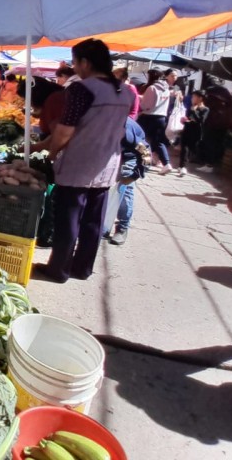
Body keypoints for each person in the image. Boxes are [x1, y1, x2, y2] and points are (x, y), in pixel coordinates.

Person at [35, 38, 134, 283]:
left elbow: (65, 131)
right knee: (93, 220)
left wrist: (52, 151)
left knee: (69, 217)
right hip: (107, 163)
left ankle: (58, 269)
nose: (74, 66)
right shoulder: (123, 91)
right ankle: (82, 268)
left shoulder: (82, 89)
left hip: (80, 162)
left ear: (86, 62)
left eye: (75, 61)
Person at [102, 117, 149, 245]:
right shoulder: (100, 121)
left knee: (125, 189)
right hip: (109, 155)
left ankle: (122, 227)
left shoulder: (128, 132)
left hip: (129, 156)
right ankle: (103, 224)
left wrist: (134, 176)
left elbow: (146, 155)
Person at [138, 68, 173, 174]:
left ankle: (145, 161)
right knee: (159, 142)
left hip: (149, 117)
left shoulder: (152, 88)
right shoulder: (167, 89)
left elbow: (146, 106)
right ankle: (166, 164)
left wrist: (140, 99)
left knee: (141, 140)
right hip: (162, 118)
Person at [199, 78, 232, 172]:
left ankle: (209, 164)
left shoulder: (211, 93)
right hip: (224, 122)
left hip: (213, 121)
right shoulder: (226, 93)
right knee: (218, 142)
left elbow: (207, 105)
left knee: (209, 142)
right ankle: (215, 163)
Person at [178, 90, 209, 176]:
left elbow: (201, 120)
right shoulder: (191, 107)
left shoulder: (205, 109)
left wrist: (194, 111)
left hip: (195, 132)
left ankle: (185, 165)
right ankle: (182, 166)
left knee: (190, 148)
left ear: (200, 98)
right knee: (184, 148)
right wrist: (184, 120)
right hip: (187, 129)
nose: (192, 99)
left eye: (194, 97)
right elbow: (188, 118)